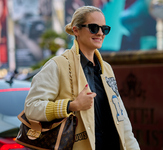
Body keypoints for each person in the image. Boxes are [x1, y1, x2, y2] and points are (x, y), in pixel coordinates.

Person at [24, 6, 140, 150]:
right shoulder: (57, 65)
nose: (100, 33)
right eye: (93, 28)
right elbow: (31, 108)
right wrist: (71, 105)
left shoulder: (107, 69)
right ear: (76, 30)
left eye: (104, 29)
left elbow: (122, 119)